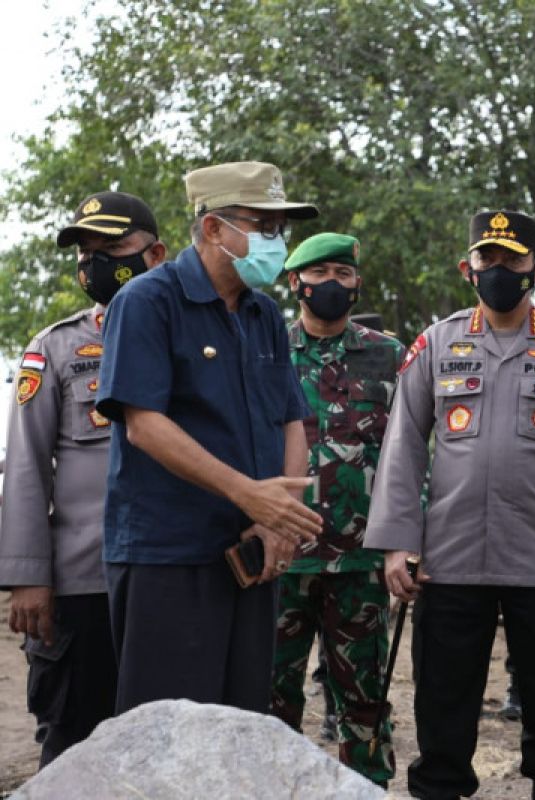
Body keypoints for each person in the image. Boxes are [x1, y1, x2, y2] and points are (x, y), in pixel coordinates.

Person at [364, 210, 535, 800]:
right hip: (449, 556)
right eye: (488, 259)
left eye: (512, 260)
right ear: (468, 267)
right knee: (443, 697)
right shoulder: (437, 343)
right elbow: (404, 445)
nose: (499, 270)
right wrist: (397, 542)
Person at [96, 161, 323, 714]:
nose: (276, 240)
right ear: (215, 227)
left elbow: (291, 417)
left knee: (241, 723)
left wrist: (279, 518)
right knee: (167, 734)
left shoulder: (263, 313)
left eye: (279, 227)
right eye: (262, 224)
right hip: (168, 559)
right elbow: (144, 425)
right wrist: (248, 494)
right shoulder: (148, 302)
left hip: (252, 558)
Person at [0, 192, 166, 766]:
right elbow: (25, 469)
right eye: (86, 252)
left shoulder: (195, 341)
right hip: (84, 585)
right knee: (75, 745)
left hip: (176, 578)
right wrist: (27, 577)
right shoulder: (56, 349)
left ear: (157, 254)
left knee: (169, 743)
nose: (94, 263)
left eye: (112, 248)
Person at [266, 232, 403, 786]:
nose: (332, 285)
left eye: (343, 275)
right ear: (295, 282)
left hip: (360, 563)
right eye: (319, 274)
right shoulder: (267, 348)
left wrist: (405, 539)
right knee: (269, 701)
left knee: (364, 701)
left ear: (357, 285)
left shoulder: (388, 354)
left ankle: (366, 789)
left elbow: (408, 452)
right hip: (280, 558)